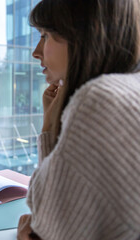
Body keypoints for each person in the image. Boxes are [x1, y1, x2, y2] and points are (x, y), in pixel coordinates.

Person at [17, 0, 140, 239]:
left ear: (83, 35)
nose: (36, 52)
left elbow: (45, 222)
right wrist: (51, 124)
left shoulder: (102, 99)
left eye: (45, 35)